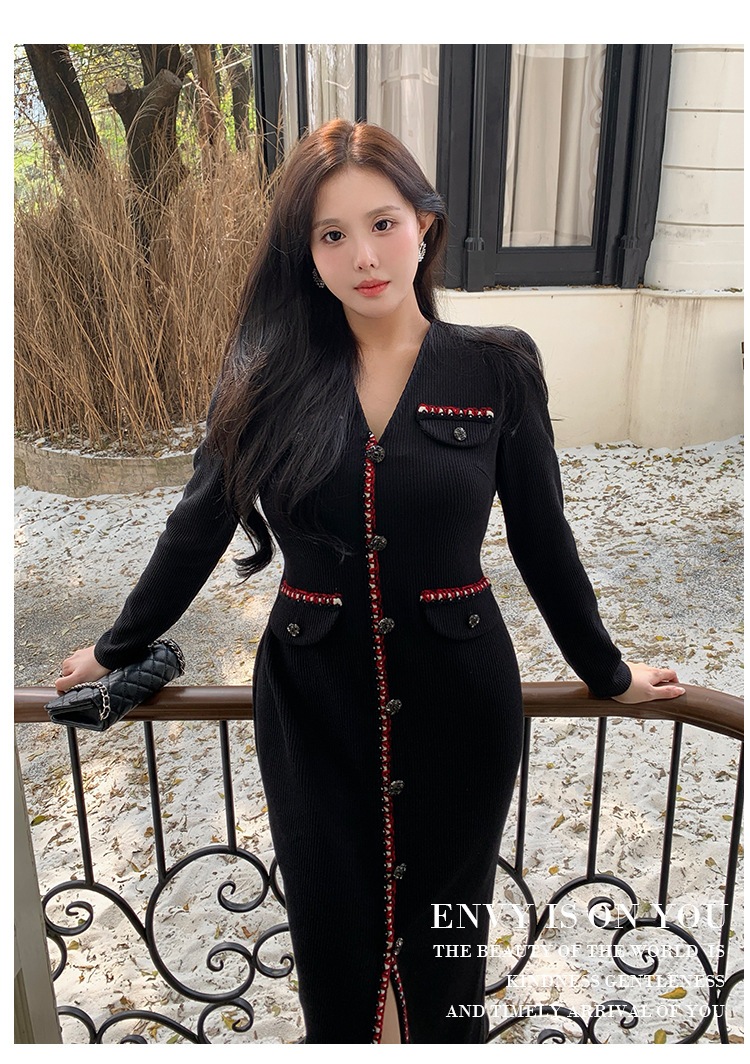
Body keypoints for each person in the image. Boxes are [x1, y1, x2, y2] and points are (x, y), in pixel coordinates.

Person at [56, 119, 685, 1045]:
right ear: (307, 258)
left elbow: (545, 538)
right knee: (336, 943)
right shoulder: (264, 380)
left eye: (383, 223)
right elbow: (198, 525)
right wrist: (117, 648)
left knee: (444, 944)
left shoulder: (497, 366)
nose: (364, 255)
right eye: (332, 234)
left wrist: (607, 672)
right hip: (310, 701)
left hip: (462, 700)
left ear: (424, 225)